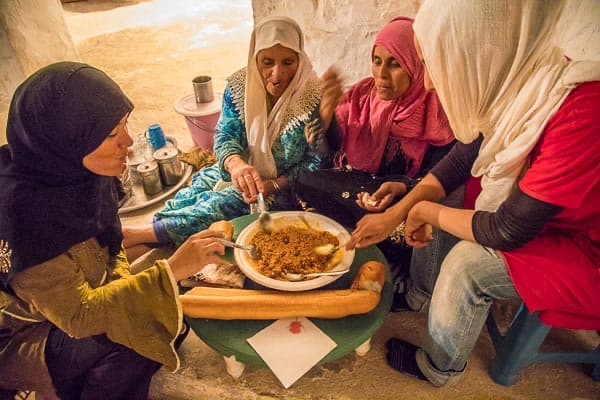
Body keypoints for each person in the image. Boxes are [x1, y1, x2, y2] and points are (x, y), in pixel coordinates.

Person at [347, 0, 600, 387]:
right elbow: (464, 156)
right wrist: (398, 213)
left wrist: (423, 212)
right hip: (552, 215)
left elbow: (507, 231)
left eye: (433, 62)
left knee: (469, 262)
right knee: (442, 195)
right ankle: (420, 295)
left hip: (588, 247)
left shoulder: (583, 108)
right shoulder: (524, 74)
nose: (429, 81)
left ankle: (439, 366)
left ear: (478, 48)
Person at [0, 62, 226, 399]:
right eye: (110, 135)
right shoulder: (24, 216)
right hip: (25, 332)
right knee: (135, 341)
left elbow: (111, 243)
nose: (129, 142)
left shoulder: (80, 173)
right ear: (67, 140)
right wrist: (173, 269)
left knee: (168, 316)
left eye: (123, 125)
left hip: (77, 298)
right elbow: (79, 315)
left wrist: (131, 286)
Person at [123, 16, 341, 256]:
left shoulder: (311, 96)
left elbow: (316, 162)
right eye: (267, 62)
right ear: (254, 56)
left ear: (299, 59)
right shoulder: (240, 87)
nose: (276, 75)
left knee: (218, 205)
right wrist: (235, 164)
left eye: (288, 62)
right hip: (239, 171)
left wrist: (273, 185)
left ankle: (138, 237)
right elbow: (225, 135)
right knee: (193, 191)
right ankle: (155, 238)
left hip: (282, 188)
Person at [294, 16, 455, 293]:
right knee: (305, 182)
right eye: (377, 60)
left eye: (395, 64)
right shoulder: (363, 96)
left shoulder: (436, 111)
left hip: (404, 199)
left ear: (416, 66)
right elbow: (332, 150)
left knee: (419, 225)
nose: (381, 74)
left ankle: (395, 266)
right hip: (361, 187)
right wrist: (327, 116)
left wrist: (398, 192)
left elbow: (440, 180)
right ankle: (379, 250)